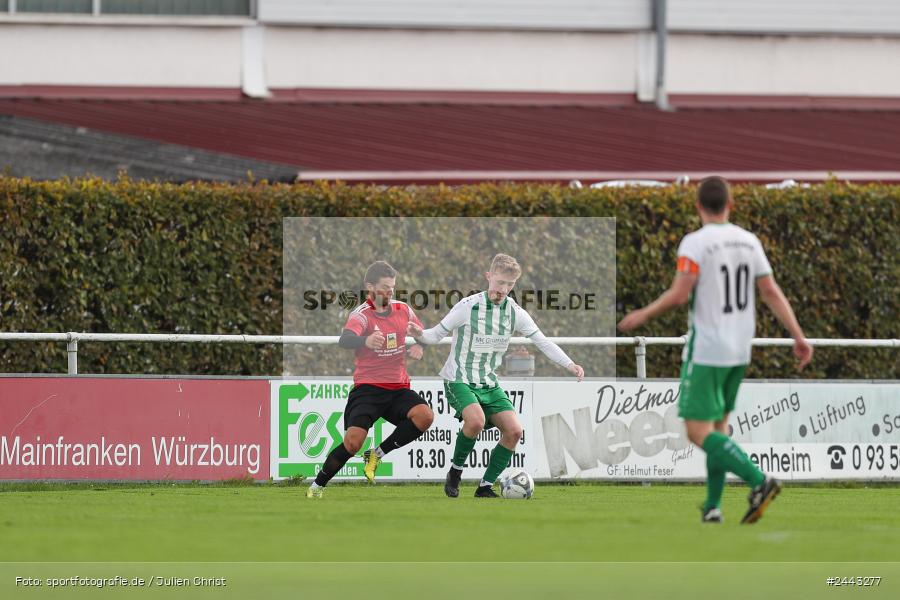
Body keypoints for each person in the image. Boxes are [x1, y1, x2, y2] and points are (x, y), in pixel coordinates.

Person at [618, 176, 813, 524]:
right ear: (730, 204)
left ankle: (759, 480)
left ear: (697, 206)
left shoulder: (695, 243)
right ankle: (712, 506)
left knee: (696, 432)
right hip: (740, 348)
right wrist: (798, 335)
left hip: (707, 348)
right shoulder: (748, 241)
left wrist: (643, 314)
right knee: (718, 430)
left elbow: (680, 294)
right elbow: (770, 290)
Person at [408, 253, 584, 498]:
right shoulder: (467, 307)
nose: (503, 289)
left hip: (488, 383)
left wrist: (570, 364)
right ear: (489, 277)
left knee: (514, 432)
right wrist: (419, 333)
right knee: (476, 421)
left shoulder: (515, 313)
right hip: (459, 378)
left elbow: (542, 342)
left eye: (510, 285)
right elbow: (434, 335)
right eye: (500, 282)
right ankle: (455, 472)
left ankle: (485, 487)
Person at [307, 261, 434, 498]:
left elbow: (423, 334)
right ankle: (317, 487)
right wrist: (364, 341)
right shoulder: (362, 315)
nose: (390, 292)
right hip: (368, 389)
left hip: (397, 389)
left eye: (393, 288)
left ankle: (377, 454)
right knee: (353, 443)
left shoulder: (403, 310)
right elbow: (345, 339)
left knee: (425, 416)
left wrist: (419, 345)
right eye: (385, 287)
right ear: (370, 287)